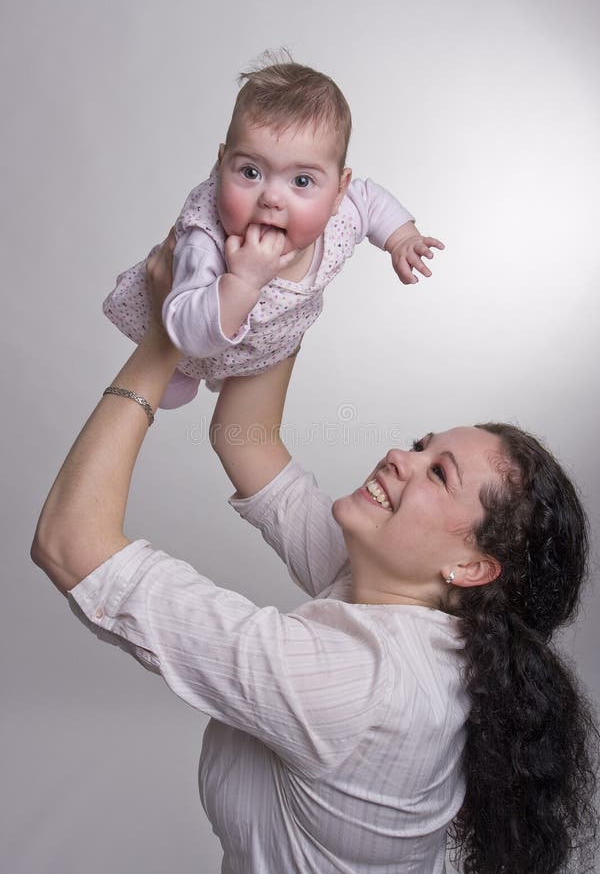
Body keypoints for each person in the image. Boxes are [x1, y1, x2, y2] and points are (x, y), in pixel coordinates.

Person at [32, 233, 597, 874]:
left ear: (470, 568)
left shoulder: (354, 684)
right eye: (420, 444)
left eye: (438, 474)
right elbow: (247, 440)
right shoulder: (399, 598)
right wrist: (298, 263)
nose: (398, 457)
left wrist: (165, 335)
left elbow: (71, 543)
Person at [103, 53, 444, 406]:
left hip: (265, 347)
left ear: (339, 190)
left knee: (244, 415)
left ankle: (236, 369)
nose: (272, 198)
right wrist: (243, 282)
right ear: (221, 165)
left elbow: (371, 200)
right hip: (191, 345)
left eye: (301, 180)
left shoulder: (341, 212)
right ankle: (183, 374)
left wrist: (402, 238)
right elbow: (186, 332)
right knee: (171, 393)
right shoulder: (205, 242)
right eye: (250, 172)